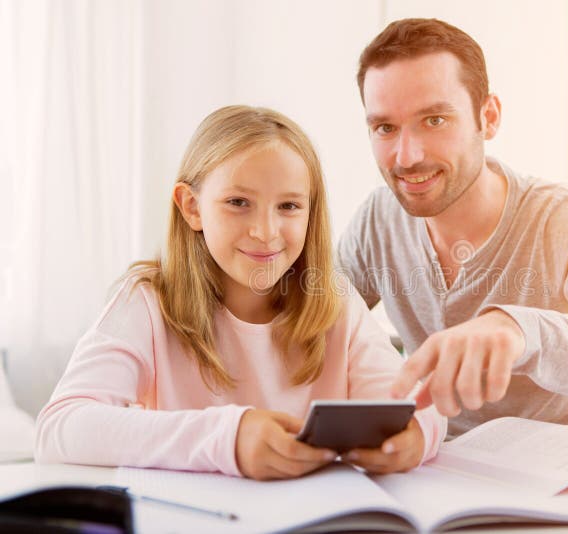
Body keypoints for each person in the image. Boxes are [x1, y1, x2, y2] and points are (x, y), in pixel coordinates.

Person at [35, 105, 445, 479]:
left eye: (288, 207)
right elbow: (60, 429)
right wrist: (227, 438)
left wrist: (413, 438)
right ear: (192, 207)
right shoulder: (146, 301)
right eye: (238, 202)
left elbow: (412, 405)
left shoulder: (336, 303)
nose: (265, 232)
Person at [338, 18, 568, 437]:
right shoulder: (378, 220)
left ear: (489, 117)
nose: (406, 157)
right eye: (385, 128)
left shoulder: (567, 218)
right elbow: (311, 325)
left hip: (562, 475)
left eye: (435, 120)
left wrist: (519, 331)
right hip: (437, 465)